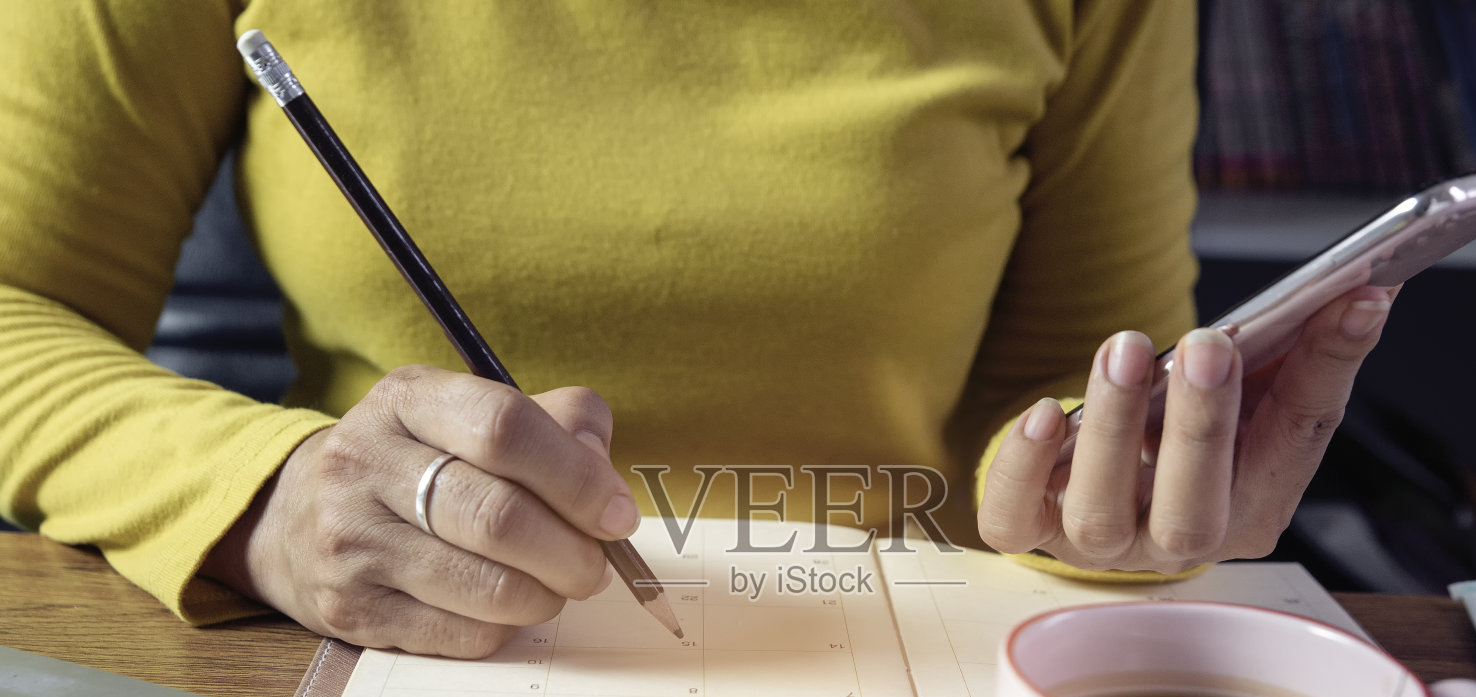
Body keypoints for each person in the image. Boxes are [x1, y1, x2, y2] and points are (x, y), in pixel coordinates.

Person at [0, 1, 1392, 658]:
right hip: (399, 661)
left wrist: (1121, 504)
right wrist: (267, 494)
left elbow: (1065, 397)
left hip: (899, 691)